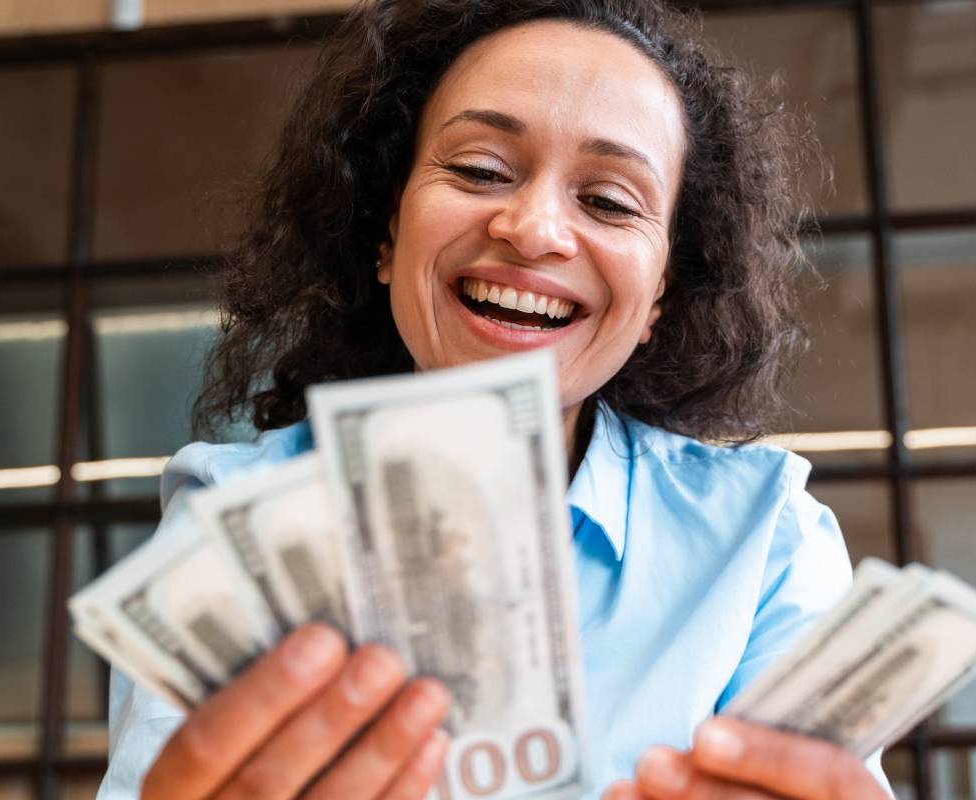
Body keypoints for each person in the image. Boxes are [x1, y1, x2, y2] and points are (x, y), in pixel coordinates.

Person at [99, 0, 894, 797]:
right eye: (480, 170)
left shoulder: (766, 540)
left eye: (610, 201)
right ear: (386, 233)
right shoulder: (229, 514)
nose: (533, 227)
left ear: (659, 295)